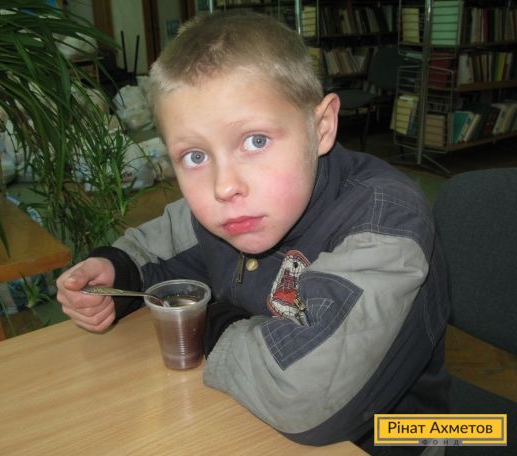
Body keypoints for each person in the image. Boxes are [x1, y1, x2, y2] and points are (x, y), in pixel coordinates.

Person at [56, 11, 449, 454]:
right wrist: (117, 272)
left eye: (256, 141)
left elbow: (303, 396)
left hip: (399, 437)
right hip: (255, 417)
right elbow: (160, 244)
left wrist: (209, 319)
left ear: (321, 127)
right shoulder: (244, 206)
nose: (224, 186)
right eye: (195, 156)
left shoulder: (385, 224)